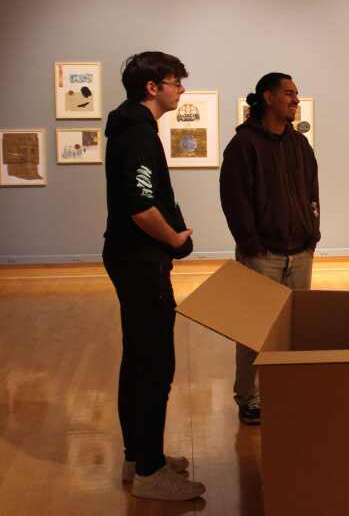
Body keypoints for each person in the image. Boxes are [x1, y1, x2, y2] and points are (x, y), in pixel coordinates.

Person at [103, 51, 206, 501]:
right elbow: (141, 206)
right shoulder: (138, 135)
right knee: (154, 363)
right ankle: (149, 472)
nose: (181, 89)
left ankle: (139, 456)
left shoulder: (131, 129)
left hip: (132, 257)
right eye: (176, 82)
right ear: (153, 88)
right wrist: (176, 240)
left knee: (139, 357)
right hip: (141, 258)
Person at [220, 72, 320, 425]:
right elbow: (234, 200)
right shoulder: (244, 145)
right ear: (267, 97)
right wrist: (251, 245)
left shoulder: (299, 145)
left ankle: (287, 390)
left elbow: (311, 193)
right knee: (254, 328)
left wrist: (312, 235)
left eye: (297, 94)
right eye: (289, 93)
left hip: (300, 252)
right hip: (262, 255)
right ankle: (250, 398)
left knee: (294, 327)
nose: (295, 100)